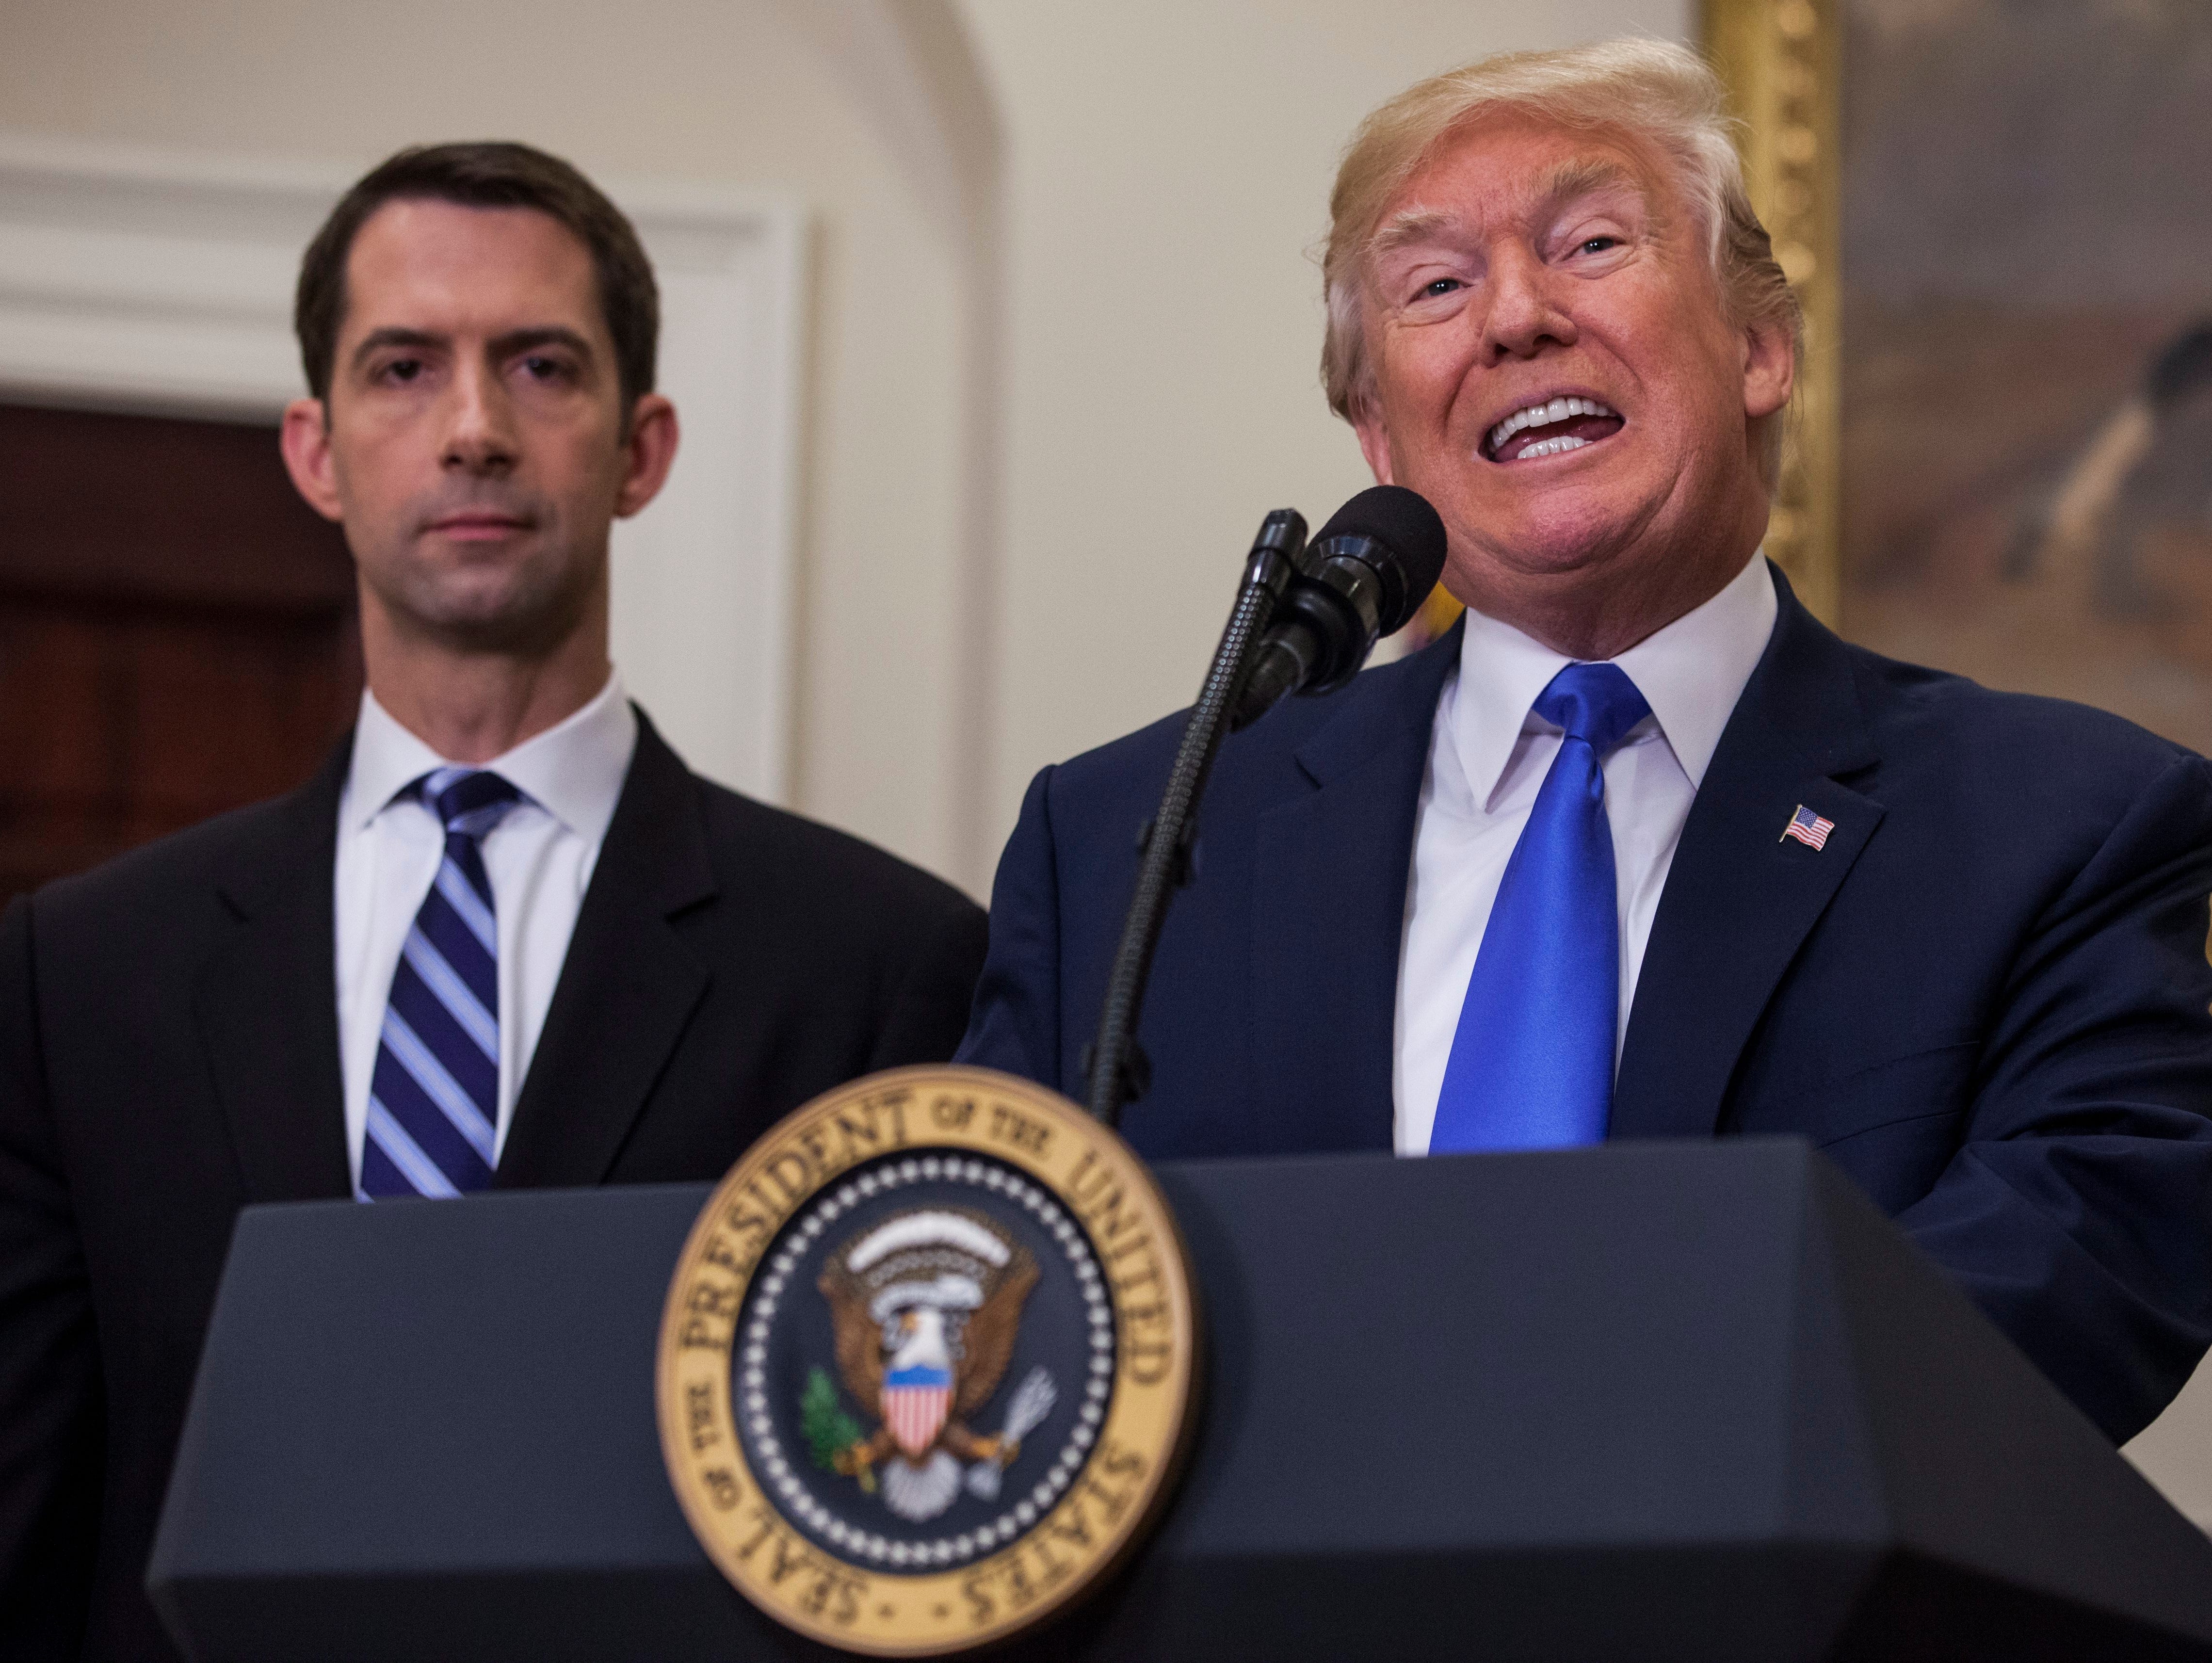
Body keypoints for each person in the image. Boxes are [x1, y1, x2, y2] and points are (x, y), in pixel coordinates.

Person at [959, 41, 2212, 1448]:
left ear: (1758, 346)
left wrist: (1596, 1447)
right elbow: (1001, 1312)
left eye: (1590, 243)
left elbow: (2079, 1275)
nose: (1512, 318)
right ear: (1379, 433)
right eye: (1433, 285)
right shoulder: (1126, 842)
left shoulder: (2062, 827)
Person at [0, 142, 986, 1662]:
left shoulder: (883, 965)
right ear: (315, 451)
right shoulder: (78, 977)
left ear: (640, 447)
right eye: (403, 368)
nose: (472, 429)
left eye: (539, 365)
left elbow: (901, 1524)